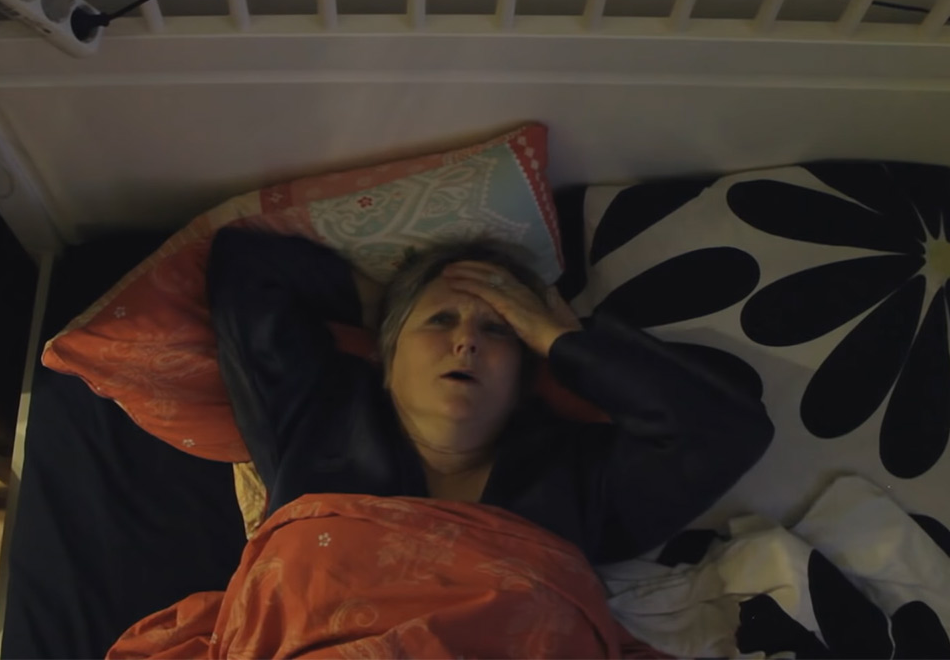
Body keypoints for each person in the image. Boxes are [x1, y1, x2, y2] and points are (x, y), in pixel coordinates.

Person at [208, 226, 773, 565]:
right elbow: (246, 267)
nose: (466, 343)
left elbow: (725, 431)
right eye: (440, 321)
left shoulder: (583, 478)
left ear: (526, 373)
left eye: (500, 328)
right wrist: (385, 305)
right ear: (385, 354)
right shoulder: (314, 417)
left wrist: (561, 339)